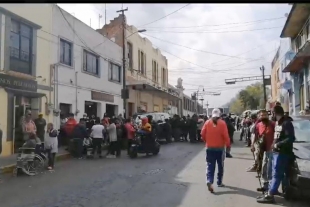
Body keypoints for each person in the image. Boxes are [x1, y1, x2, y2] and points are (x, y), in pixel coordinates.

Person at [257, 105, 295, 203]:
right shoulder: (278, 123)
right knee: (279, 174)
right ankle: (284, 192)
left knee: (276, 174)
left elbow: (291, 138)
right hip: (276, 152)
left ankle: (270, 194)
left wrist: (278, 144)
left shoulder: (286, 123)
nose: (270, 115)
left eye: (271, 113)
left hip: (282, 153)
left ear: (275, 113)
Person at [201, 108, 231, 193]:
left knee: (210, 165)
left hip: (209, 148)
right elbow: (226, 136)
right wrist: (228, 146)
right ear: (220, 115)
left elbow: (202, 134)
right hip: (220, 149)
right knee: (220, 165)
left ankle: (209, 181)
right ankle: (219, 182)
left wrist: (206, 141)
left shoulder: (207, 122)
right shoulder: (222, 123)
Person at [253, 110, 275, 192]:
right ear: (259, 117)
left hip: (272, 150)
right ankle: (265, 185)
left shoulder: (273, 124)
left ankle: (271, 187)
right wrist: (253, 145)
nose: (263, 117)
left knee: (269, 169)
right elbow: (256, 136)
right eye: (261, 115)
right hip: (263, 150)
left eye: (265, 115)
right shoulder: (258, 125)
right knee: (263, 168)